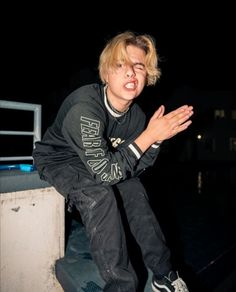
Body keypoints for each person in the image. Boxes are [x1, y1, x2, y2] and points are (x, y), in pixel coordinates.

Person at [33, 31, 193, 292]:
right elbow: (106, 175)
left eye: (139, 66)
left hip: (100, 162)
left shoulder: (137, 117)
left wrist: (154, 140)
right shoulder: (84, 108)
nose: (131, 72)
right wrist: (149, 135)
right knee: (100, 194)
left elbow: (137, 166)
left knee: (135, 190)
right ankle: (121, 287)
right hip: (60, 159)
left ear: (147, 76)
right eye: (121, 65)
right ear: (105, 74)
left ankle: (164, 274)